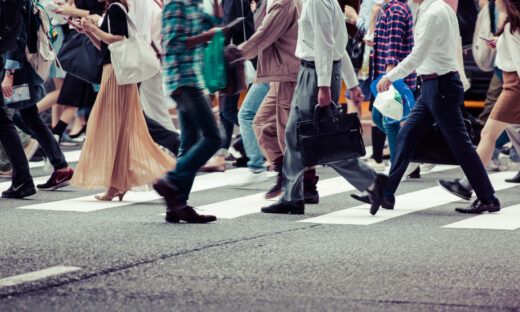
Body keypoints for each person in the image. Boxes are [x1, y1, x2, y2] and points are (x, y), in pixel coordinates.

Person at [374, 0, 500, 215]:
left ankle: (488, 197)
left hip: (441, 86)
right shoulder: (433, 8)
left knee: (461, 145)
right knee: (406, 135)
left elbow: (417, 55)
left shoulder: (434, 12)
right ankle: (386, 192)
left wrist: (390, 77)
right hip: (433, 85)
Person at [261, 0, 386, 215]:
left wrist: (324, 85)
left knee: (321, 140)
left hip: (315, 74)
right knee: (294, 135)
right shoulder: (328, 2)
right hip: (316, 73)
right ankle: (292, 196)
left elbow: (324, 45)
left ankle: (372, 182)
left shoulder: (317, 2)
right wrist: (352, 83)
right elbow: (339, 46)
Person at [71, 0, 175, 201]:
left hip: (116, 76)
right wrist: (89, 32)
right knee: (117, 131)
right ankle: (118, 183)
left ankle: (146, 175)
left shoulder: (116, 8)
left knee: (113, 129)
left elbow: (117, 40)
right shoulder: (114, 9)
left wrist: (94, 28)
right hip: (113, 73)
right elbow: (105, 47)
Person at [438, 0, 520, 213]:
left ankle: (468, 185)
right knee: (491, 134)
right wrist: (500, 43)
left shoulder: (512, 27)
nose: (494, 2)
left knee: (488, 134)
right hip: (512, 85)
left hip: (515, 87)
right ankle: (469, 185)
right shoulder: (512, 27)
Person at [233, 0, 316, 202]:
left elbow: (264, 35)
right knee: (261, 122)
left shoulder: (283, 3)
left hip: (288, 73)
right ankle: (286, 176)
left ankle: (299, 187)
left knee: (288, 133)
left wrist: (237, 54)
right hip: (279, 74)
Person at [153, 0, 223, 223]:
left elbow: (215, 24)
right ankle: (171, 181)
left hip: (193, 78)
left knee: (189, 142)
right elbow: (172, 45)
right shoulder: (177, 4)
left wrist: (216, 6)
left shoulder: (195, 5)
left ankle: (176, 206)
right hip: (182, 80)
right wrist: (207, 36)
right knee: (214, 138)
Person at [2, 0, 74, 193]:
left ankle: (30, 161)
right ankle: (60, 166)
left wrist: (9, 74)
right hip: (20, 68)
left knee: (12, 118)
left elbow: (17, 36)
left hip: (16, 70)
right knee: (28, 116)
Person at [201, 0, 255, 172]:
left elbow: (231, 26)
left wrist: (208, 35)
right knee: (226, 110)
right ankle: (221, 155)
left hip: (235, 59)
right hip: (234, 58)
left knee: (228, 111)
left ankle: (264, 141)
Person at [0, 0, 37, 198]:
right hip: (4, 56)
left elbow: (18, 33)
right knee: (4, 121)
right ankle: (23, 178)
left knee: (4, 121)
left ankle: (23, 178)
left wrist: (9, 72)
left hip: (8, 59)